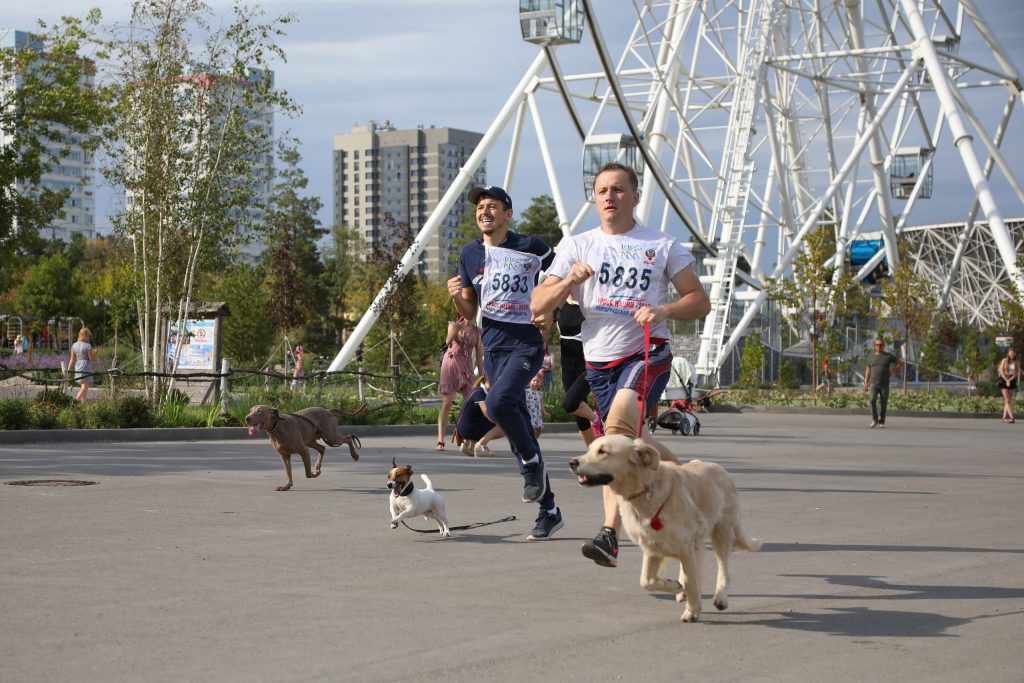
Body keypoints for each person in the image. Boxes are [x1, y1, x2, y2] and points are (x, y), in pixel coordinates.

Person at [532, 162, 711, 568]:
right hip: (598, 363)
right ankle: (685, 483)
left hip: (647, 353)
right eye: (601, 191)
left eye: (617, 189)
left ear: (635, 195)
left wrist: (662, 308)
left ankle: (609, 534)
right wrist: (566, 282)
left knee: (612, 438)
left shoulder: (663, 245)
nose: (609, 196)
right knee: (635, 445)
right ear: (594, 200)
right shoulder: (577, 245)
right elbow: (538, 304)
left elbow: (700, 301)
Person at [448, 185, 563, 540]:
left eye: (492, 207)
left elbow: (561, 279)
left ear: (507, 214)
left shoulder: (532, 247)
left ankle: (531, 467)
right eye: (480, 207)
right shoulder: (469, 254)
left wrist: (551, 312)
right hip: (493, 348)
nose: (485, 212)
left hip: (526, 344)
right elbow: (470, 310)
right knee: (518, 427)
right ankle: (550, 510)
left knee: (498, 405)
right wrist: (456, 298)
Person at [555, 297, 603, 446]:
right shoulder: (559, 304)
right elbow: (543, 324)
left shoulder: (590, 304)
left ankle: (597, 420)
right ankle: (593, 457)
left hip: (589, 363)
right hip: (567, 364)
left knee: (570, 404)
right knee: (579, 416)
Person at [437, 315, 484, 450]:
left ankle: (464, 433)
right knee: (447, 403)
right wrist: (455, 329)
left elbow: (479, 356)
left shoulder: (477, 331)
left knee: (472, 403)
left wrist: (482, 377)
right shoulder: (454, 324)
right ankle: (440, 440)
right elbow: (447, 342)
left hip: (467, 367)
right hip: (451, 364)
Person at [863, 338, 901, 428]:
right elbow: (868, 370)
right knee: (872, 400)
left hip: (884, 384)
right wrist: (865, 382)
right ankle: (874, 419)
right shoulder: (871, 356)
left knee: (883, 402)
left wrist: (893, 371)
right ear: (875, 346)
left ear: (883, 346)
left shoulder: (888, 356)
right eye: (877, 345)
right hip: (873, 383)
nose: (879, 346)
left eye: (880, 345)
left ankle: (881, 422)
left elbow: (899, 362)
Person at [68, 327, 98, 402]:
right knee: (84, 387)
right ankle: (74, 402)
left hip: (78, 367)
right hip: (86, 367)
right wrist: (96, 352)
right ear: (85, 335)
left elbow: (72, 359)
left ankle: (83, 405)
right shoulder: (88, 346)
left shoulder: (74, 345)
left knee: (84, 387)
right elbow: (92, 359)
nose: (89, 337)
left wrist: (68, 369)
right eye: (88, 335)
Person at [525, 370, 550, 439]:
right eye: (534, 380)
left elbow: (541, 404)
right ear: (530, 382)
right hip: (528, 413)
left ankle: (534, 440)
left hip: (537, 414)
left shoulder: (539, 393)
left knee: (539, 429)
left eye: (538, 381)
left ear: (540, 383)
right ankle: (527, 441)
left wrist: (544, 412)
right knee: (528, 429)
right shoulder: (526, 392)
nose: (535, 382)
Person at [997, 347, 1019, 424]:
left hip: (1012, 380)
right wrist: (1006, 380)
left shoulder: (1016, 362)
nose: (1012, 354)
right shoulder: (1004, 360)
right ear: (1008, 353)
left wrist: (1009, 380)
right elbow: (1001, 371)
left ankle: (1004, 417)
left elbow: (1016, 373)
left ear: (1015, 354)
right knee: (1008, 400)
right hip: (1003, 379)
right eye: (1011, 353)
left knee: (1008, 400)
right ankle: (1012, 417)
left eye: (1013, 353)